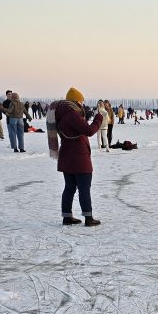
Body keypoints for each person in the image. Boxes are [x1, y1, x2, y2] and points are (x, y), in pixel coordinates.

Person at [54, 87, 103, 226]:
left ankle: (67, 217)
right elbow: (89, 130)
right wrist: (99, 118)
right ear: (76, 101)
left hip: (67, 156)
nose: (82, 104)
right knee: (84, 188)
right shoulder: (71, 114)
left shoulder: (61, 113)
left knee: (69, 187)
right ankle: (88, 218)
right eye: (81, 101)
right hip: (79, 157)